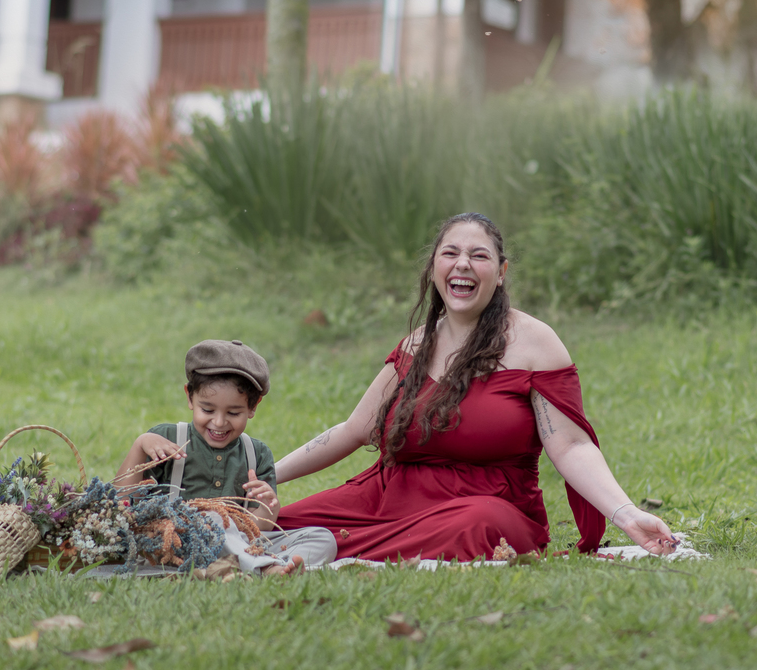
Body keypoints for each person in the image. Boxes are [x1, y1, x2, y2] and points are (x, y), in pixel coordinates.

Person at [274, 213, 678, 562]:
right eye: (450, 253)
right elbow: (352, 430)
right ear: (434, 267)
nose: (462, 264)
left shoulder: (535, 343)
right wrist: (267, 477)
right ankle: (325, 544)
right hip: (390, 499)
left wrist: (625, 514)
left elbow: (571, 446)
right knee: (271, 524)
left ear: (500, 274)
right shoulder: (416, 343)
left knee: (477, 528)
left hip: (489, 507)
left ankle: (329, 549)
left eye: (478, 255)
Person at [115, 339, 337, 575]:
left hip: (238, 543)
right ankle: (265, 568)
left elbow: (257, 527)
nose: (219, 422)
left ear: (253, 407)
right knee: (212, 518)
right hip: (177, 545)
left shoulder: (257, 453)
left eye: (233, 412)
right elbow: (119, 503)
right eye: (207, 410)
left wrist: (269, 507)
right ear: (190, 397)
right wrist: (140, 445)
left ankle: (264, 565)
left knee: (322, 537)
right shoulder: (166, 439)